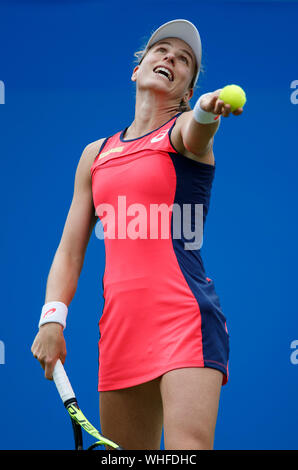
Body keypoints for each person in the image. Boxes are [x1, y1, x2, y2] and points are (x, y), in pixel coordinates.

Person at [31, 19, 243, 450]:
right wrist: (52, 319)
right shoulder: (96, 154)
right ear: (137, 68)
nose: (170, 58)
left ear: (186, 91)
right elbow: (70, 250)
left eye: (183, 60)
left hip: (184, 318)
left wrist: (205, 109)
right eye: (161, 50)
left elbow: (198, 129)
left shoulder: (184, 135)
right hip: (121, 331)